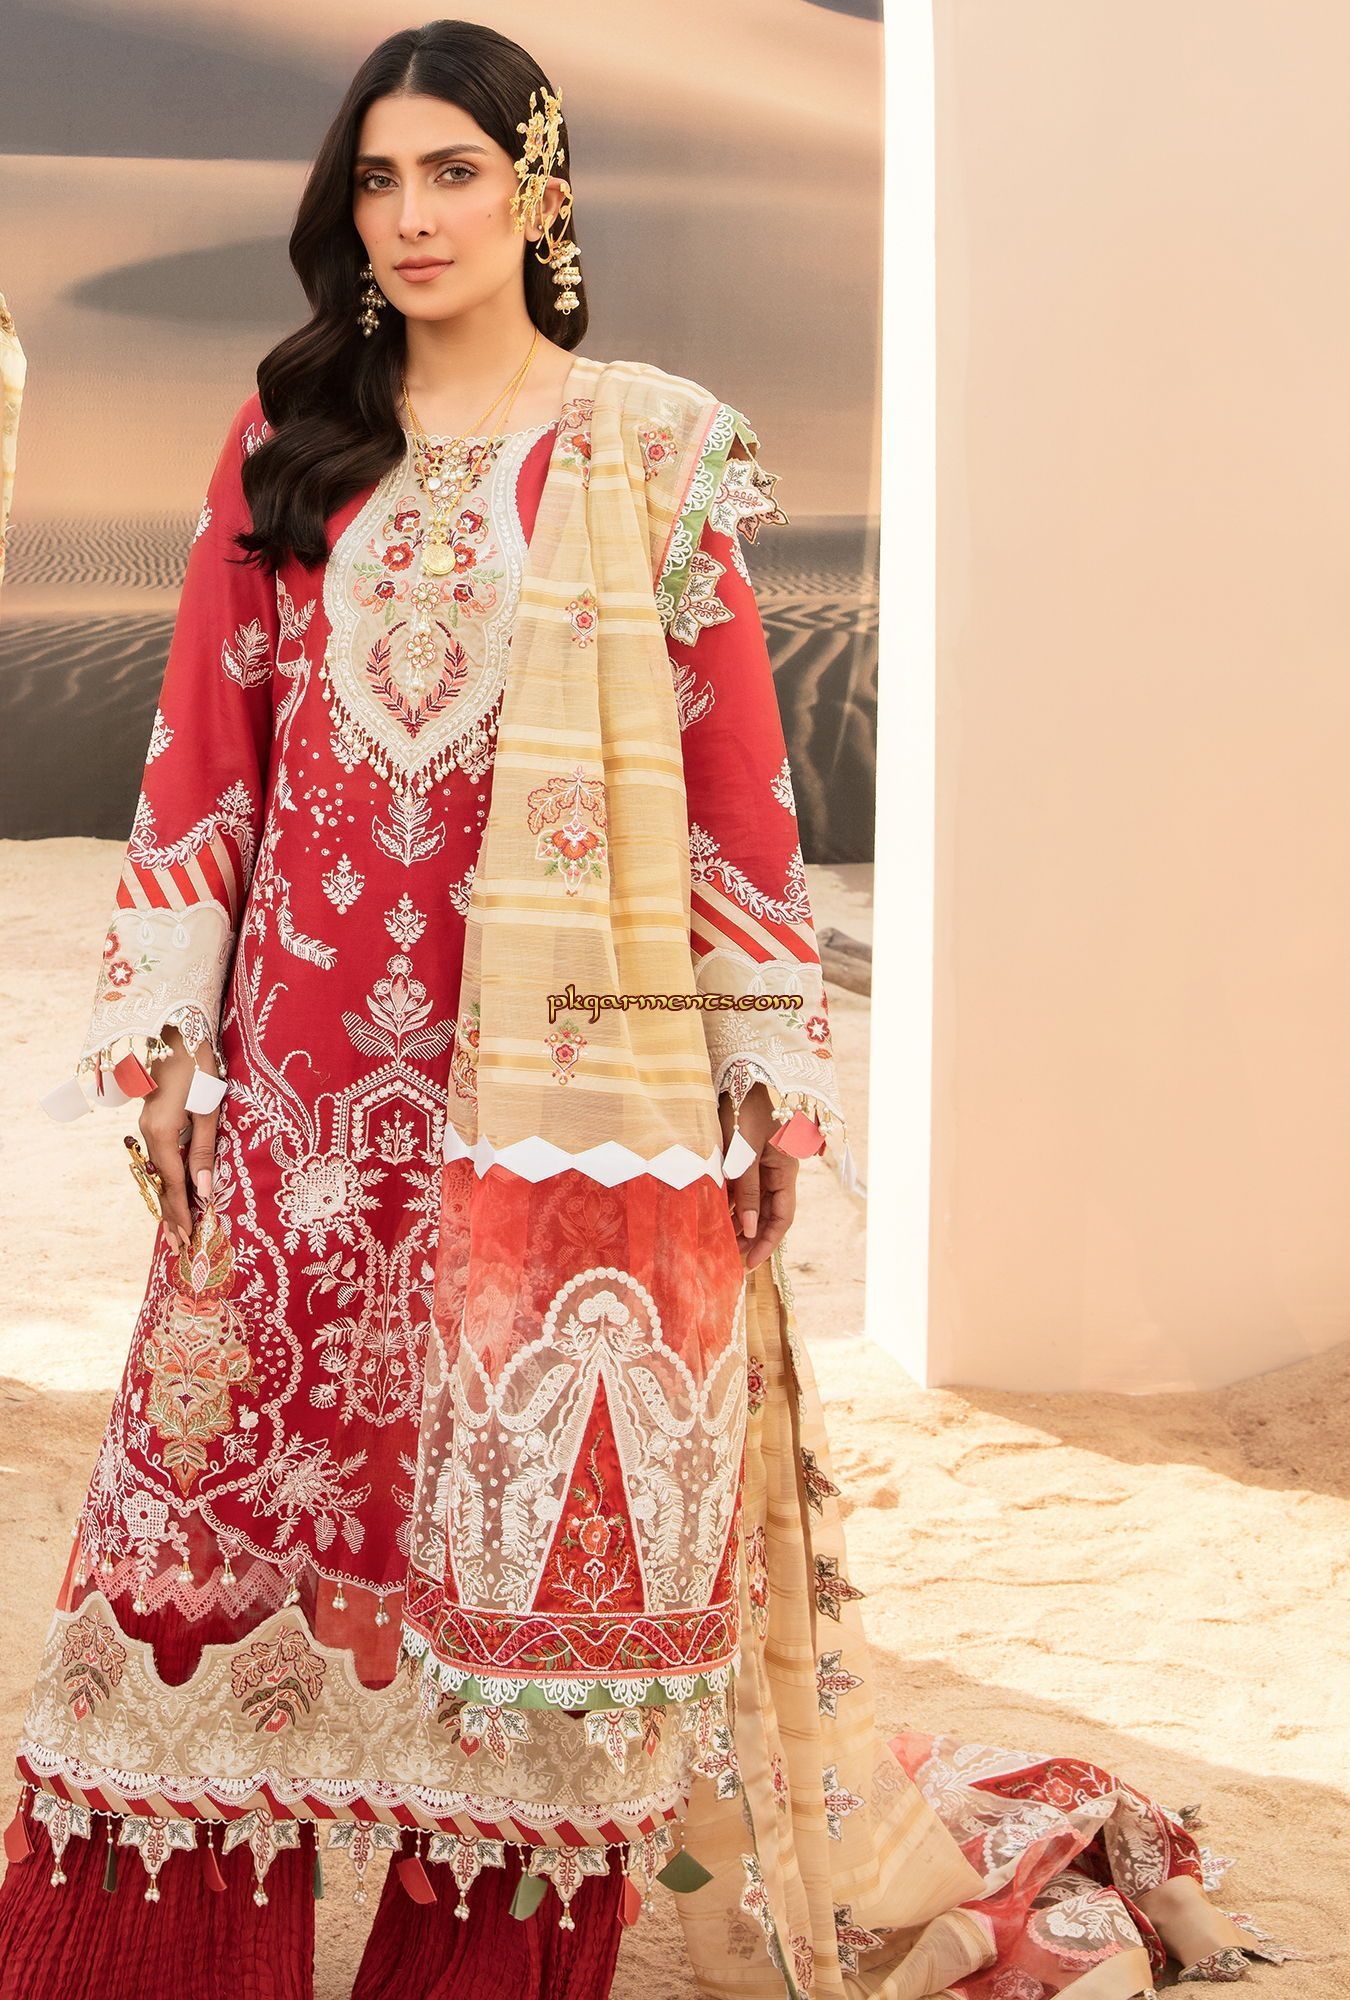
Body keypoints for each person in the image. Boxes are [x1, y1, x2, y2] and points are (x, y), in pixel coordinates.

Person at [0, 20, 1297, 2000]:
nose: (412, 216)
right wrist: (168, 1038)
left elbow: (729, 783)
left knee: (545, 1543)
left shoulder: (657, 445)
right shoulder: (290, 435)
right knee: (216, 1529)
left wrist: (762, 1078)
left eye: (453, 172)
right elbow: (207, 748)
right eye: (377, 179)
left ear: (536, 189)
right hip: (308, 1095)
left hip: (575, 1107)